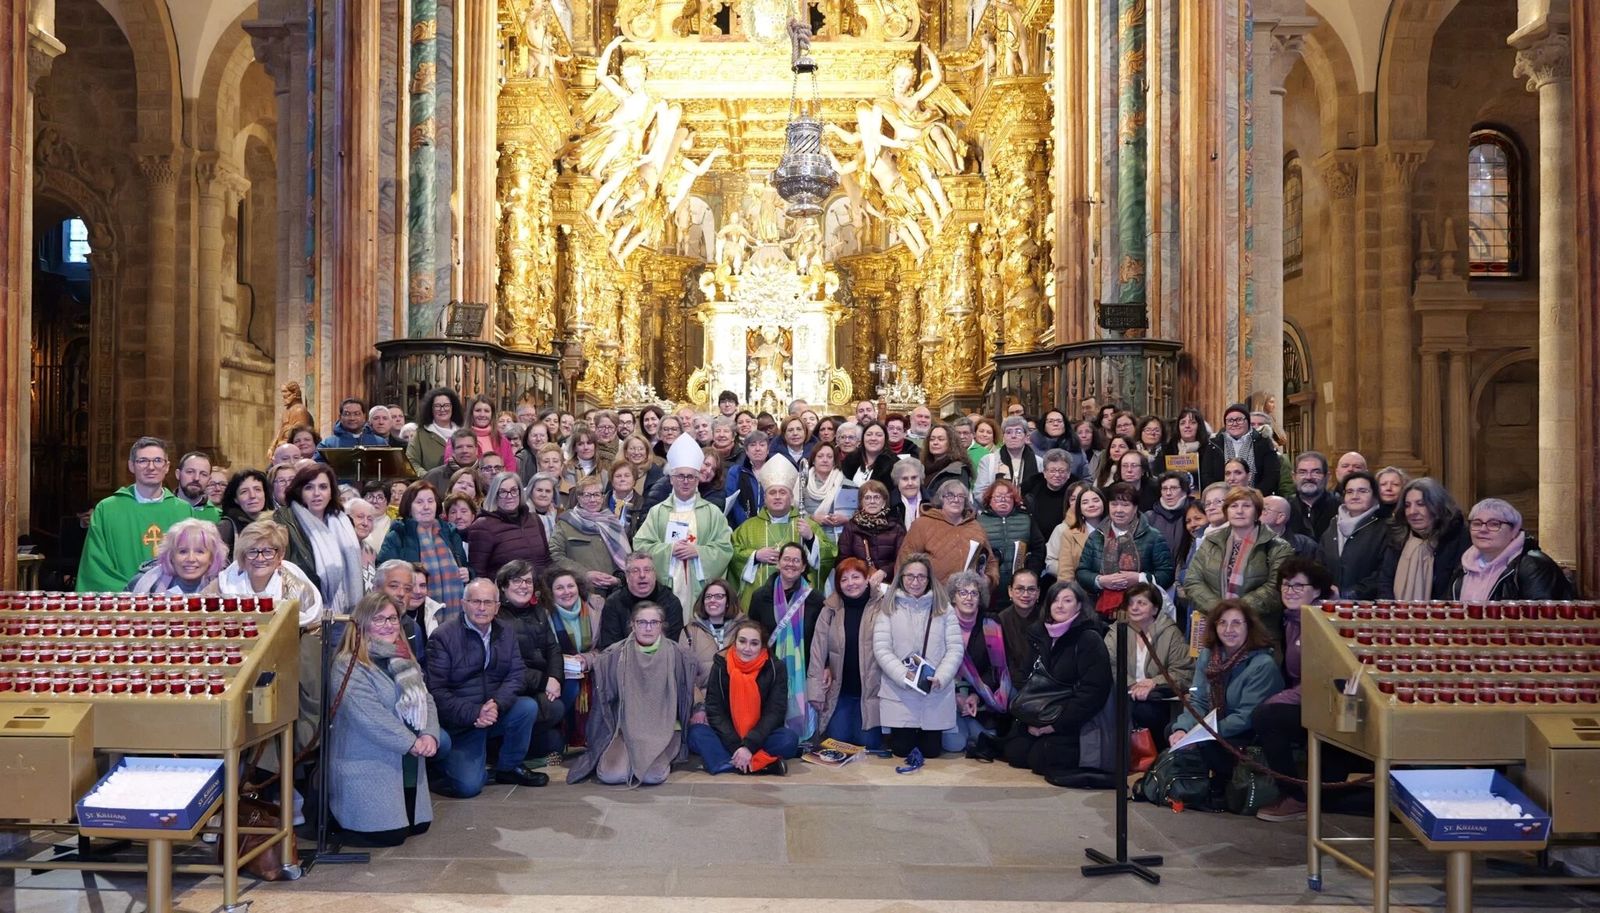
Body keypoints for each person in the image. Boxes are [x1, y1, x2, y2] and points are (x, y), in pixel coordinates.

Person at [325, 590, 440, 846]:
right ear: (363, 624)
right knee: (389, 835)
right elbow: (369, 717)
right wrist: (412, 743)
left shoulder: (403, 658)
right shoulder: (348, 663)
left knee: (419, 827)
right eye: (379, 620)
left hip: (409, 759)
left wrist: (431, 734)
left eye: (392, 619)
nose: (388, 625)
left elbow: (426, 698)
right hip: (369, 764)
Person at [425, 578, 549, 796]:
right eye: (475, 601)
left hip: (492, 712)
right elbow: (437, 692)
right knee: (468, 788)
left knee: (527, 707)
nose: (482, 608)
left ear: (497, 607)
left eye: (488, 602)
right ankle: (437, 770)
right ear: (463, 604)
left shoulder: (506, 631)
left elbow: (516, 674)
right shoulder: (443, 636)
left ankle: (509, 768)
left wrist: (497, 704)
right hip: (460, 723)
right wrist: (475, 713)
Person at [566, 601, 698, 786]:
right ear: (633, 625)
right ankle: (625, 755)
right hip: (625, 728)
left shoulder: (678, 655)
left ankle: (653, 756)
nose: (648, 628)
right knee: (610, 775)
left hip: (665, 728)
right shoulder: (616, 654)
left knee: (652, 776)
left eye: (654, 622)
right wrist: (586, 659)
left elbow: (690, 690)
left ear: (662, 625)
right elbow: (601, 667)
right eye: (642, 622)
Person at [1166, 599, 1284, 798]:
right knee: (1172, 730)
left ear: (1250, 627)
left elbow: (1245, 717)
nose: (1229, 629)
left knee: (1208, 746)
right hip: (1214, 726)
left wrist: (1202, 734)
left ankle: (1222, 786)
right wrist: (1183, 729)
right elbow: (1198, 699)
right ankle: (1196, 784)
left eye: (1236, 623)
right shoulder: (1209, 655)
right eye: (1222, 623)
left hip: (1246, 734)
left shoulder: (1263, 664)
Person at [1251, 558, 1339, 823]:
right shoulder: (1291, 620)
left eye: (1299, 586)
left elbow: (1321, 679)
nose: (1290, 591)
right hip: (1306, 701)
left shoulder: (1324, 621)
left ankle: (1294, 798)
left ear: (1317, 591)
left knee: (1266, 716)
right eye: (1286, 585)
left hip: (1328, 706)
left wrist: (1277, 699)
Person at [1003, 580, 1114, 781]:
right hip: (1041, 711)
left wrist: (1054, 725)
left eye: (1067, 600)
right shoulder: (1039, 634)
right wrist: (1032, 718)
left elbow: (1093, 692)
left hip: (1073, 719)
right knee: (1015, 752)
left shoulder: (1089, 638)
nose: (1060, 605)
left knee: (1043, 760)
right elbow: (1025, 677)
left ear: (1079, 605)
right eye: (1055, 600)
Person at [77, 437, 202, 592]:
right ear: (131, 466)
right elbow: (95, 565)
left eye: (158, 460)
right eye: (143, 461)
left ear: (167, 466)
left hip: (171, 602)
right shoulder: (107, 509)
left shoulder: (184, 511)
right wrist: (132, 592)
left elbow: (197, 560)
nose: (151, 467)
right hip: (122, 602)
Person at [872, 554, 964, 759]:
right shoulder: (888, 608)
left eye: (921, 577)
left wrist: (941, 676)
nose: (915, 582)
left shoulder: (944, 609)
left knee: (931, 752)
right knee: (901, 750)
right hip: (900, 691)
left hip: (934, 691)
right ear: (901, 577)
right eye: (910, 576)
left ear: (929, 579)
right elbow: (881, 648)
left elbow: (955, 648)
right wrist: (904, 676)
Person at [688, 618, 800, 775]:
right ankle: (761, 764)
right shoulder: (720, 665)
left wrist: (748, 746)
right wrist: (738, 747)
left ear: (762, 646)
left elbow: (775, 712)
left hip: (760, 735)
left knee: (789, 740)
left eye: (754, 643)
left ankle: (726, 763)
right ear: (735, 642)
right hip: (727, 735)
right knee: (696, 733)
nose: (747, 648)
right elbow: (715, 711)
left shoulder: (776, 668)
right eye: (742, 641)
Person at [1182, 486, 1293, 641]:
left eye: (1246, 506)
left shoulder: (1278, 547)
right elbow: (1192, 581)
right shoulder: (1210, 542)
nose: (1239, 511)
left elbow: (1275, 588)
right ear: (1227, 511)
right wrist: (1220, 610)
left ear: (1257, 512)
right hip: (1216, 627)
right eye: (1234, 506)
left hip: (1258, 632)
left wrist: (1236, 611)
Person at [634, 435, 734, 608]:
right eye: (680, 476)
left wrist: (698, 552)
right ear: (671, 479)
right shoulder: (657, 512)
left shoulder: (712, 512)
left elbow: (725, 548)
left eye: (691, 477)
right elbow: (641, 545)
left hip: (699, 588)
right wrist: (670, 550)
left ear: (698, 479)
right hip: (667, 587)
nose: (686, 481)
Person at [747, 541, 828, 740]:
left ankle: (799, 739)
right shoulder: (760, 596)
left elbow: (824, 637)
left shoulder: (816, 599)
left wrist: (826, 665)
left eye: (796, 561)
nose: (791, 564)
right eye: (786, 559)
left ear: (803, 567)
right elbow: (753, 632)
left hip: (805, 669)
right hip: (769, 670)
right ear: (778, 563)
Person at [731, 458, 836, 608]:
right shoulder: (748, 527)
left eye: (783, 492)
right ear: (765, 499)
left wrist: (811, 539)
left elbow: (829, 556)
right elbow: (733, 554)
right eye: (772, 492)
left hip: (798, 604)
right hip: (761, 602)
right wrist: (755, 556)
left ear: (791, 497)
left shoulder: (807, 524)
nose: (778, 496)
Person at [807, 558, 888, 750]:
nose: (850, 583)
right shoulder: (830, 610)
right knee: (835, 744)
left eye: (855, 577)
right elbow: (817, 651)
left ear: (867, 578)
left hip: (872, 693)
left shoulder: (884, 605)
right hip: (840, 692)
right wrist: (816, 691)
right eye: (844, 580)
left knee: (869, 745)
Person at [275, 462, 367, 615]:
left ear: (331, 491)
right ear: (299, 491)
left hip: (345, 613)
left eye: (323, 487)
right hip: (305, 612)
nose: (317, 493)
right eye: (309, 487)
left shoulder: (344, 522)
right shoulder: (285, 522)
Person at [494, 560, 566, 750]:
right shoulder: (496, 617)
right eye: (517, 581)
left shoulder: (539, 611)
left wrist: (555, 677)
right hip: (513, 687)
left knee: (556, 738)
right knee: (552, 710)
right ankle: (501, 749)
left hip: (537, 683)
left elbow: (553, 649)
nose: (524, 586)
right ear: (503, 586)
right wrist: (544, 682)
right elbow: (507, 666)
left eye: (528, 581)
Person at [1075, 482, 1175, 617]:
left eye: (1125, 505)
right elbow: (1082, 572)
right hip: (1102, 611)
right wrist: (1101, 581)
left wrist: (1139, 578)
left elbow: (1167, 574)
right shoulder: (1097, 536)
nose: (1119, 510)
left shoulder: (1153, 536)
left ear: (1135, 508)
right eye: (1114, 504)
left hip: (1143, 611)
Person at [1105, 582, 1192, 734]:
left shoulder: (1171, 633)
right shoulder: (1117, 631)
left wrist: (1154, 682)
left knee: (1146, 712)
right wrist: (1133, 686)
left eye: (1141, 603)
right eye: (1130, 603)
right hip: (1122, 696)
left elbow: (1184, 672)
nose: (1134, 607)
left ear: (1155, 609)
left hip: (1157, 701)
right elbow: (1108, 666)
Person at [1449, 498, 1575, 600]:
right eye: (1477, 523)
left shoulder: (1533, 566)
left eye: (1494, 524)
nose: (1483, 530)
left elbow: (1542, 620)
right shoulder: (1464, 565)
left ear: (1514, 531)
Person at [378, 481, 469, 621]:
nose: (426, 507)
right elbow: (383, 575)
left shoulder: (449, 532)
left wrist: (469, 573)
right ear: (409, 507)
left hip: (456, 617)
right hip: (414, 618)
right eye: (419, 502)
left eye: (430, 501)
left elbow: (465, 568)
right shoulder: (398, 534)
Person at [945, 570, 1013, 755]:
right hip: (947, 694)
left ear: (980, 597)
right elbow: (936, 666)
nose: (969, 598)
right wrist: (955, 697)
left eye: (974, 593)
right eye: (963, 593)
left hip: (982, 696)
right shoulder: (941, 623)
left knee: (988, 738)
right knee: (954, 745)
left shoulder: (991, 622)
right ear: (953, 597)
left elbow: (997, 669)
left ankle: (970, 724)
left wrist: (976, 696)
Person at [208, 517, 323, 625]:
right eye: (252, 551)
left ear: (280, 555)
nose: (260, 558)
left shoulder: (298, 588)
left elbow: (313, 631)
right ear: (242, 556)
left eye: (268, 552)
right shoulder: (224, 582)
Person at [542, 565, 607, 749]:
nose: (566, 592)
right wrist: (562, 663)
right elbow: (543, 651)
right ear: (550, 592)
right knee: (570, 686)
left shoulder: (596, 608)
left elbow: (606, 647)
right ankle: (564, 731)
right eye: (559, 588)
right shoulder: (544, 614)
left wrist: (587, 658)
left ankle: (593, 735)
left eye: (570, 586)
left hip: (592, 669)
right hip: (559, 673)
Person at [1377, 478, 1471, 600]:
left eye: (1421, 504)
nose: (1412, 512)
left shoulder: (1459, 538)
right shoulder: (1398, 537)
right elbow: (1385, 582)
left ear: (1438, 505)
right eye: (1407, 505)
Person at [900, 479, 999, 589]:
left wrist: (988, 579)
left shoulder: (976, 527)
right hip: (931, 596)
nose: (956, 500)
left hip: (968, 598)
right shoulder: (922, 525)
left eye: (961, 496)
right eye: (950, 495)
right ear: (941, 498)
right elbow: (905, 559)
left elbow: (990, 561)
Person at [465, 471, 552, 583]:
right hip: (505, 595)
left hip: (540, 591)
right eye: (502, 492)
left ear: (520, 493)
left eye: (514, 491)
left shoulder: (534, 520)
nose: (509, 496)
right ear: (494, 494)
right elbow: (478, 573)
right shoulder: (482, 526)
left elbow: (546, 559)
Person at [549, 474, 631, 593]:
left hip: (615, 592)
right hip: (581, 591)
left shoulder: (613, 523)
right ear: (579, 498)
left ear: (602, 498)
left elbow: (627, 560)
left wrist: (619, 580)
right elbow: (555, 554)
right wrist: (584, 574)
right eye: (587, 495)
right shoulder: (565, 523)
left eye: (596, 494)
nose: (592, 500)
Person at [597, 551, 687, 649]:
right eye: (635, 571)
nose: (642, 575)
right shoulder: (613, 603)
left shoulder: (671, 602)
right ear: (627, 577)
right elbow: (610, 647)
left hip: (662, 660)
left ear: (654, 574)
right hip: (624, 660)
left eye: (647, 570)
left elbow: (673, 644)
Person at [1318, 471, 1385, 600]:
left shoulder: (1383, 529)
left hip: (1368, 607)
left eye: (1362, 491)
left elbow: (1383, 573)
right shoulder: (1333, 525)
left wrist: (1350, 594)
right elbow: (1320, 563)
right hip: (1331, 604)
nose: (1355, 496)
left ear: (1375, 496)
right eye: (1349, 491)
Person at [976, 478, 1045, 603]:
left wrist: (1032, 572)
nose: (1003, 500)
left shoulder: (1027, 519)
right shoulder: (978, 522)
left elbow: (1039, 549)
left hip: (1021, 588)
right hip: (990, 587)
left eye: (1008, 496)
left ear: (1014, 500)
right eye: (998, 497)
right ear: (989, 500)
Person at [126, 517, 228, 595]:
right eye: (183, 551)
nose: (191, 559)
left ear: (212, 558)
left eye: (199, 551)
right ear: (171, 556)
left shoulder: (225, 588)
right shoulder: (145, 584)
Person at [680, 578, 741, 706]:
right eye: (708, 597)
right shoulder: (689, 632)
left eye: (718, 596)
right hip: (703, 703)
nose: (712, 600)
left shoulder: (744, 630)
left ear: (728, 601)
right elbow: (684, 675)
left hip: (738, 701)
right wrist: (699, 707)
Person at [1200, 403, 1280, 493]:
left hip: (1257, 499)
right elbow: (1207, 475)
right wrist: (1220, 495)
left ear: (1248, 422)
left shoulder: (1263, 442)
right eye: (1230, 420)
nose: (1234, 423)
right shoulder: (1214, 444)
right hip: (1222, 499)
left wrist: (1255, 496)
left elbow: (1271, 475)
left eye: (1239, 420)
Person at [835, 480, 904, 584]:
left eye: (876, 497)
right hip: (859, 585)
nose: (872, 501)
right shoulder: (851, 527)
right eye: (867, 497)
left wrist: (884, 571)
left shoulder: (896, 527)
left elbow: (903, 558)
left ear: (884, 502)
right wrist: (860, 575)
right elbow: (843, 560)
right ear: (861, 502)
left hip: (890, 584)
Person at [974, 416, 1044, 501]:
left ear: (1026, 437)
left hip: (1030, 512)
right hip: (996, 511)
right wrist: (997, 507)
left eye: (1018, 432)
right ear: (1003, 437)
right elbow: (979, 492)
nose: (1013, 436)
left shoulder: (1039, 462)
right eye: (1008, 432)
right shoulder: (988, 460)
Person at [1045, 485, 1104, 583]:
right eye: (1085, 502)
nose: (1091, 505)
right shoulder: (1068, 534)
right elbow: (1065, 573)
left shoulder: (1114, 529)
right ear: (1079, 508)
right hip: (1079, 589)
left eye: (1096, 500)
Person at [997, 570, 1043, 686]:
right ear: (1010, 591)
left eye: (1031, 589)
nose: (1025, 594)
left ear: (1038, 593)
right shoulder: (1000, 621)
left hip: (1042, 684)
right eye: (1020, 589)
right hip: (1009, 683)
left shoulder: (1048, 619)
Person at [798, 442, 850, 539]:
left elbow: (858, 514)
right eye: (820, 456)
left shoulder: (847, 485)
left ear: (834, 461)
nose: (825, 460)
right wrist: (813, 518)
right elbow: (793, 512)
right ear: (813, 460)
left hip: (839, 539)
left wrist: (846, 519)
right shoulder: (802, 483)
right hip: (809, 537)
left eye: (829, 457)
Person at [406, 386, 464, 472]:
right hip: (429, 484)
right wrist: (429, 478)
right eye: (437, 406)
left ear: (453, 407)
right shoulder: (420, 435)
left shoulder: (463, 432)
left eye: (446, 405)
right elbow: (411, 463)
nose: (442, 409)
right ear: (431, 409)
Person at [1287, 451, 1340, 540]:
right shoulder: (1284, 509)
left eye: (1316, 472)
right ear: (1294, 477)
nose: (1308, 477)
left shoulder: (1340, 508)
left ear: (1327, 477)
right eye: (1302, 472)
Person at [217, 469, 273, 550]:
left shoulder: (276, 522)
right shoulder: (226, 527)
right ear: (235, 499)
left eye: (257, 489)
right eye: (244, 491)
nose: (252, 496)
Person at [920, 424, 973, 503]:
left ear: (951, 443)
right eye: (932, 439)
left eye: (941, 439)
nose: (935, 443)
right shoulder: (923, 467)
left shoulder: (957, 471)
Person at [840, 420, 897, 488]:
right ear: (863, 438)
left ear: (885, 439)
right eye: (869, 434)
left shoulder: (894, 464)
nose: (873, 438)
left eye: (879, 435)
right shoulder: (850, 460)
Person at [320, 397, 390, 451]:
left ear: (364, 417)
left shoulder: (380, 443)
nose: (352, 418)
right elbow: (317, 464)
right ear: (340, 417)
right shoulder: (328, 444)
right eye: (347, 414)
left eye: (357, 414)